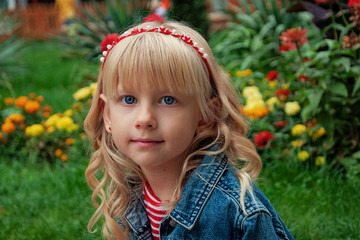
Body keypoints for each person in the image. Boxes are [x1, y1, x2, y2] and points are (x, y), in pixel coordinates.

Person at [84, 20, 295, 240]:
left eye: (168, 100)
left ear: (206, 115)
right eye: (128, 99)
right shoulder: (131, 195)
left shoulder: (236, 211)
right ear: (107, 114)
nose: (145, 119)